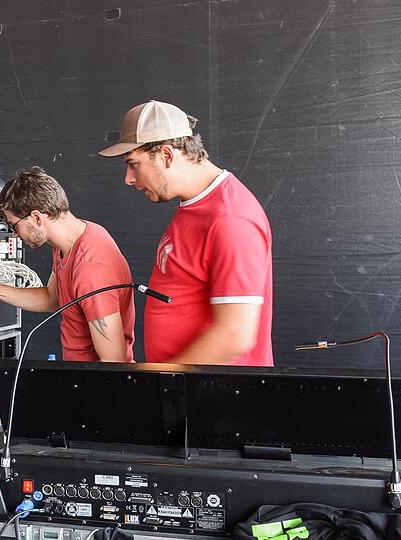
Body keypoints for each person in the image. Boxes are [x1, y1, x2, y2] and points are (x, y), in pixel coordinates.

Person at [99, 100, 273, 366]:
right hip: (183, 390)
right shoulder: (195, 205)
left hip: (212, 397)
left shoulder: (230, 218)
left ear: (167, 155)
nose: (129, 179)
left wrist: (160, 377)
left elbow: (235, 335)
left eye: (134, 164)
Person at [0, 166, 136, 362]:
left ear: (37, 217)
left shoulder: (91, 266)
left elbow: (114, 362)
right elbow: (50, 299)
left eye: (14, 226)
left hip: (95, 385)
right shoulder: (70, 242)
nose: (14, 234)